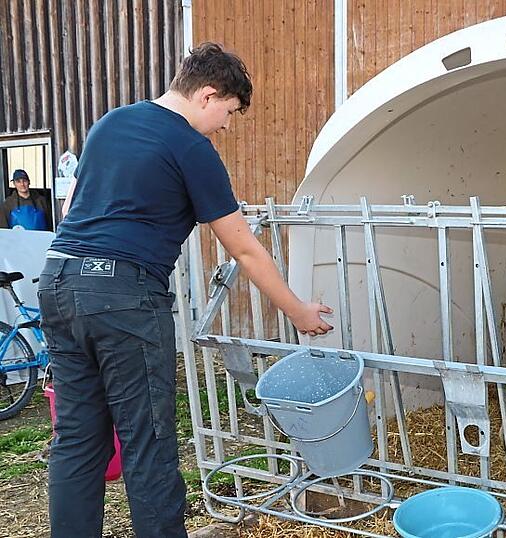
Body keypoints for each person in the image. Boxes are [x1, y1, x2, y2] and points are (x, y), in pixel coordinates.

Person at [38, 43, 333, 538]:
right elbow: (244, 249)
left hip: (60, 279)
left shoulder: (111, 123)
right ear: (207, 95)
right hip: (123, 295)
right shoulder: (191, 147)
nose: (226, 126)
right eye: (229, 113)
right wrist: (298, 310)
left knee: (78, 439)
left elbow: (72, 211)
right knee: (148, 441)